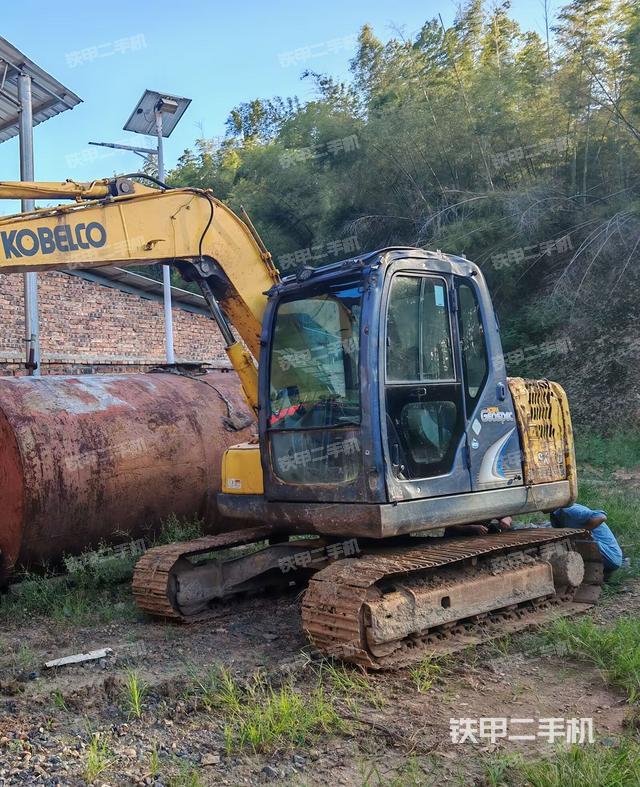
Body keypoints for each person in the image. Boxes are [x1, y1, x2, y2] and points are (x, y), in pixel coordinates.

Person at [549, 503, 623, 575]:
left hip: (611, 556)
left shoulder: (570, 509)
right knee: (560, 545)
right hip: (600, 556)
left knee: (573, 541)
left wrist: (582, 532)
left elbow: (601, 517)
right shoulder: (555, 515)